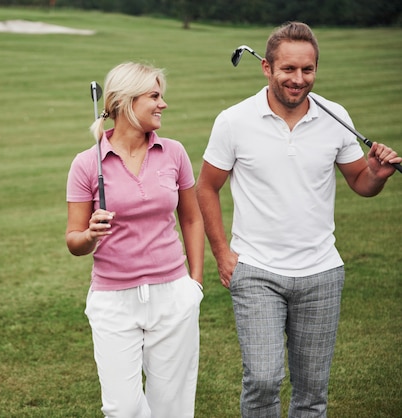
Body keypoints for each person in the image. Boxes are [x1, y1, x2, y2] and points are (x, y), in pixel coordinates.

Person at [196, 21, 401, 417]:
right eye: (288, 69)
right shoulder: (234, 121)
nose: (298, 79)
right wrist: (222, 253)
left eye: (307, 70)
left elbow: (360, 181)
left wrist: (376, 174)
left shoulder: (335, 117)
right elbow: (205, 187)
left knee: (311, 393)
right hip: (256, 270)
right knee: (263, 379)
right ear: (267, 68)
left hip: (321, 273)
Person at [66, 62, 205, 417]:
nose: (163, 104)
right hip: (113, 299)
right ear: (126, 101)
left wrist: (195, 284)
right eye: (154, 96)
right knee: (122, 408)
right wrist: (90, 234)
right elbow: (74, 240)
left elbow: (191, 218)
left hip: (173, 293)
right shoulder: (86, 163)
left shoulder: (174, 152)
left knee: (172, 406)